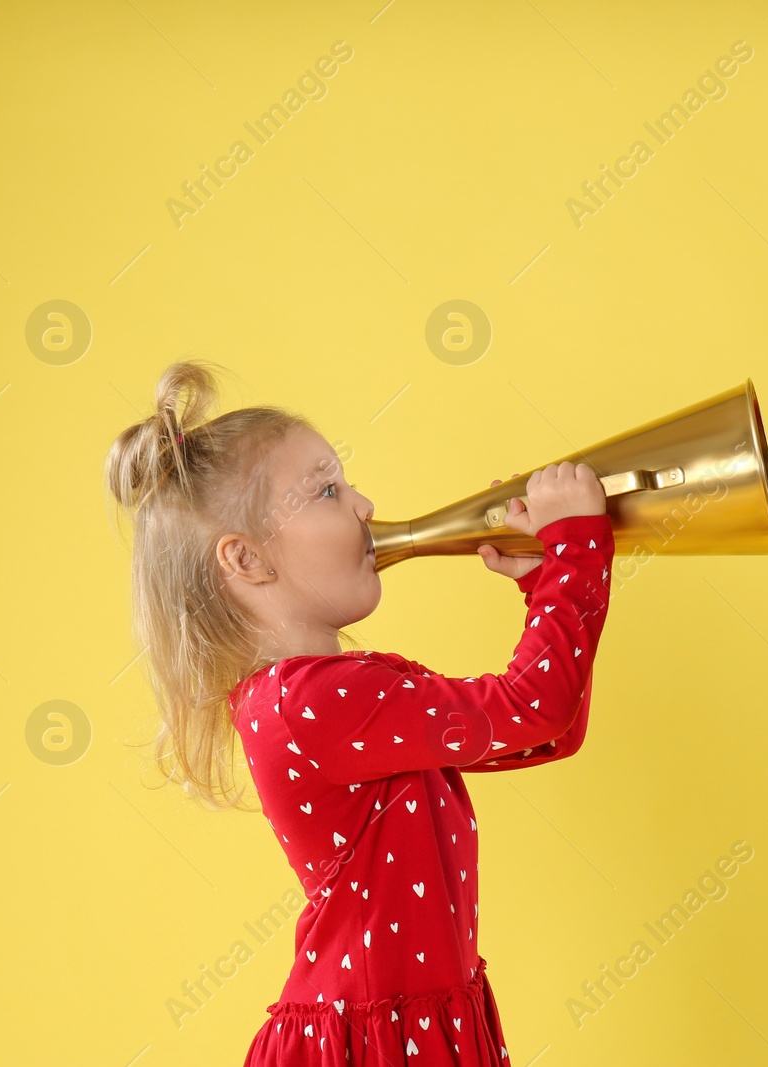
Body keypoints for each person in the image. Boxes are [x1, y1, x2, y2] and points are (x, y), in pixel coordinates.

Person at [103, 360, 615, 1065]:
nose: (365, 504)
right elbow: (536, 704)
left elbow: (544, 728)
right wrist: (575, 551)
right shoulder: (308, 703)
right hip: (372, 1041)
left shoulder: (335, 690)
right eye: (326, 489)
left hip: (416, 1025)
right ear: (246, 560)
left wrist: (547, 588)